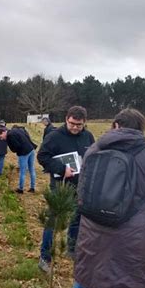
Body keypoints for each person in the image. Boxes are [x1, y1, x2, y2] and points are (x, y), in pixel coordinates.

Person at [69, 109, 145, 288]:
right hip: (131, 236)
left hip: (92, 230)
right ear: (141, 130)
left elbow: (82, 192)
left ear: (116, 125)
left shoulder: (93, 150)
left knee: (84, 284)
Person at [36, 106, 95, 273]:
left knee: (77, 219)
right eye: (72, 123)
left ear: (84, 123)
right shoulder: (54, 136)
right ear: (66, 119)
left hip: (81, 186)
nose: (75, 127)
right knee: (53, 222)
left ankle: (72, 249)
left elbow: (93, 155)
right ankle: (45, 257)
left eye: (79, 125)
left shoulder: (88, 136)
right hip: (60, 187)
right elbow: (42, 156)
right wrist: (62, 169)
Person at [0, 126, 36, 193]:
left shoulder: (9, 136)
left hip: (23, 153)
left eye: (1, 137)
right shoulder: (15, 130)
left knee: (22, 172)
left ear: (3, 132)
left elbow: (15, 148)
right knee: (31, 169)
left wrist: (10, 145)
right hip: (31, 149)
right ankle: (32, 188)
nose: (2, 139)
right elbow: (26, 135)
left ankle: (20, 189)